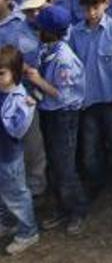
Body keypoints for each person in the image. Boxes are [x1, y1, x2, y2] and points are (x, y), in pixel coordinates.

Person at [23, 5, 89, 234]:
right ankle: (62, 208)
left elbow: (64, 95)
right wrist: (35, 93)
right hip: (50, 113)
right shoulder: (47, 49)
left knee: (65, 166)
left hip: (64, 116)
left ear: (48, 31)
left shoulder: (63, 59)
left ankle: (76, 210)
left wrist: (38, 81)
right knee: (54, 162)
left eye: (40, 27)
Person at [69, 0, 112, 193]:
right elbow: (73, 69)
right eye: (87, 9)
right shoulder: (75, 33)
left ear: (106, 3)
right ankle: (95, 181)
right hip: (87, 100)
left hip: (111, 98)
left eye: (96, 7)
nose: (92, 13)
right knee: (90, 145)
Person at [0, 46, 38, 254]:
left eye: (1, 73)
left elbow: (17, 130)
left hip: (10, 155)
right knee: (3, 193)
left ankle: (28, 231)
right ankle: (7, 222)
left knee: (17, 194)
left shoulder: (21, 99)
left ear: (14, 72)